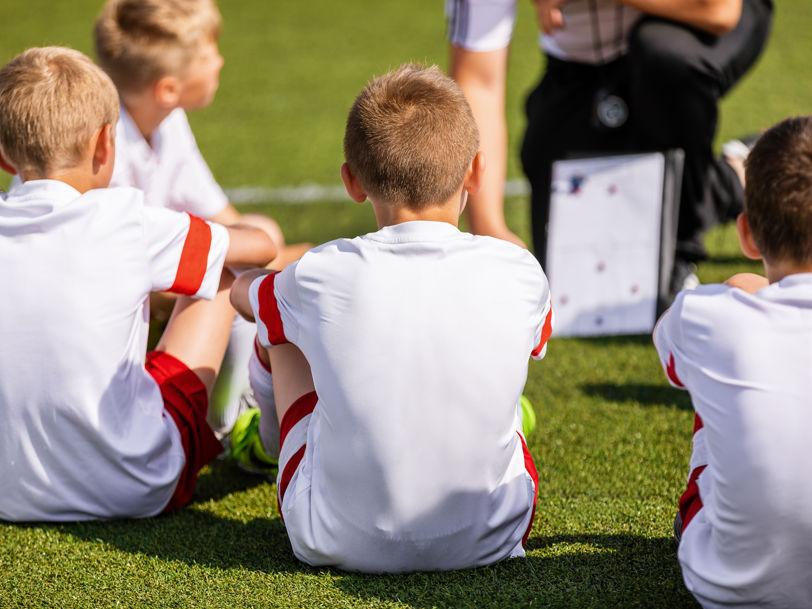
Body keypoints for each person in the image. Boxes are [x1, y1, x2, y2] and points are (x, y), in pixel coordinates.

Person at [229, 64, 554, 572]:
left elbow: (245, 299)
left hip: (331, 538)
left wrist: (259, 279)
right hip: (491, 538)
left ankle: (265, 441)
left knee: (282, 324)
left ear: (351, 182)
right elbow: (531, 345)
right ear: (477, 170)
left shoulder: (320, 272)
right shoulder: (519, 270)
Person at [0, 46, 276, 521]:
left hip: (9, 492)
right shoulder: (125, 219)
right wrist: (261, 230)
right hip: (135, 487)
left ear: (5, 158)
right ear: (106, 144)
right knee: (222, 275)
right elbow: (259, 248)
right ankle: (231, 424)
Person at [447, 0, 773, 295]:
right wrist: (490, 229)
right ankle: (741, 177)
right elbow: (478, 82)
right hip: (578, 64)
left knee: (665, 56)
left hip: (690, 31)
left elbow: (717, 9)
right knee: (572, 270)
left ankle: (678, 252)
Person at [93, 0, 309, 440]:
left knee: (261, 231)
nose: (220, 60)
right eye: (209, 53)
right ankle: (230, 417)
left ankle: (230, 391)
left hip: (153, 272)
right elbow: (122, 273)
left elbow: (227, 221)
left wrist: (281, 257)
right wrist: (299, 267)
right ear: (169, 88)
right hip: (117, 296)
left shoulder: (168, 120)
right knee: (226, 272)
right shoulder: (104, 149)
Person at [654, 116, 812, 608]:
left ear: (746, 233)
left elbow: (673, 362)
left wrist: (742, 289)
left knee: (713, 386)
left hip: (733, 589)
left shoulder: (705, 317)